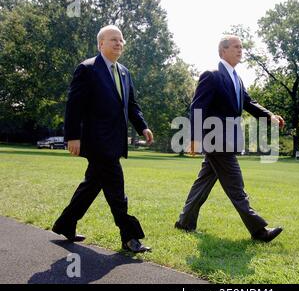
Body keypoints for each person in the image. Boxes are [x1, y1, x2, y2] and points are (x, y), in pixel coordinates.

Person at [174, 35, 285, 242]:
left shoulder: (236, 78)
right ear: (222, 51)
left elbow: (248, 103)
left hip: (228, 139)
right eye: (235, 47)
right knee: (236, 186)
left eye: (241, 47)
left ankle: (185, 222)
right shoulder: (212, 75)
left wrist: (269, 116)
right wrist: (195, 137)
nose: (240, 50)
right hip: (216, 140)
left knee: (204, 182)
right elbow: (197, 107)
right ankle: (259, 231)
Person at [52, 25, 153, 253]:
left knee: (92, 185)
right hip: (97, 142)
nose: (119, 43)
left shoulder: (124, 72)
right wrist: (73, 137)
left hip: (115, 141)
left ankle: (65, 223)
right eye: (113, 40)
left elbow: (131, 106)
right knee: (117, 190)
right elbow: (74, 106)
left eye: (121, 40)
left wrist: (142, 127)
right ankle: (130, 237)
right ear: (101, 44)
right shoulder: (87, 69)